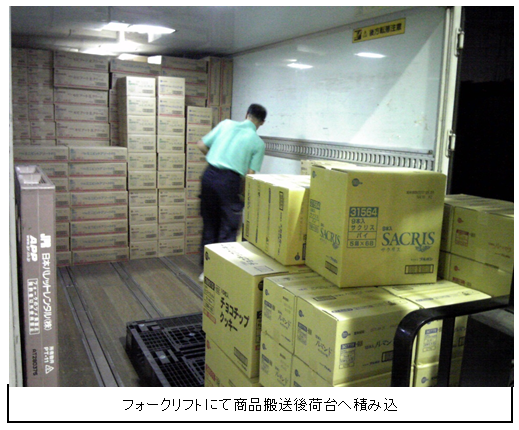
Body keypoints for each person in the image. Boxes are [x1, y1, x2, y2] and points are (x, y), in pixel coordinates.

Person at [196, 103, 267, 282]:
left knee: (210, 224)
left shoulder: (226, 124)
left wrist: (215, 157)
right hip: (229, 181)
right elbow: (250, 174)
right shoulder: (258, 143)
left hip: (209, 176)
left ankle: (206, 271)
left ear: (246, 114)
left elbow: (201, 145)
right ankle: (220, 274)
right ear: (262, 122)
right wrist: (243, 194)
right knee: (227, 228)